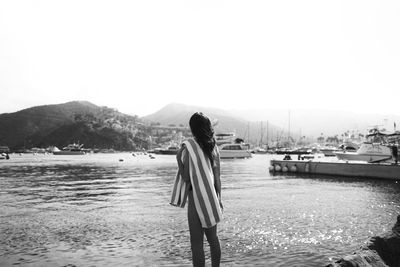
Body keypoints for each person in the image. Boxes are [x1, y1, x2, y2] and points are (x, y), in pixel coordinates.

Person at [175, 112, 223, 267]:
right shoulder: (213, 146)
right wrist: (219, 199)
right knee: (213, 239)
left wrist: (178, 159)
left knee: (197, 245)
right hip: (211, 198)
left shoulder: (189, 147)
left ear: (193, 128)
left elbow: (187, 178)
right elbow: (217, 178)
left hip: (195, 200)